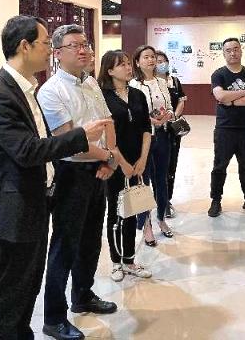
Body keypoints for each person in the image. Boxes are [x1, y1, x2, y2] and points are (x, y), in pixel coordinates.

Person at [0, 15, 109, 340]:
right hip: (13, 207)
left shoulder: (24, 89)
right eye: (46, 43)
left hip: (32, 200)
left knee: (26, 285)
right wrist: (81, 136)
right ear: (25, 46)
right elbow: (26, 150)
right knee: (10, 292)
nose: (50, 50)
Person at [37, 25, 120, 340]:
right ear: (58, 53)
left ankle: (83, 295)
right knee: (65, 245)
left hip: (98, 169)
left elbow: (108, 123)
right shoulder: (51, 91)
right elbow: (68, 141)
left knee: (90, 240)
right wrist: (107, 156)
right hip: (71, 174)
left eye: (85, 44)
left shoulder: (91, 83)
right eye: (75, 45)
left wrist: (109, 158)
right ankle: (53, 317)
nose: (83, 50)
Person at [98, 50, 153, 282]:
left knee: (131, 210)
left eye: (129, 64)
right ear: (110, 70)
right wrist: (121, 163)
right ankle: (115, 261)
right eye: (122, 65)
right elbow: (105, 136)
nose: (129, 68)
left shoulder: (138, 94)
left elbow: (146, 129)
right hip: (115, 163)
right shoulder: (102, 96)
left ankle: (129, 260)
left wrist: (142, 159)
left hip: (137, 162)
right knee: (115, 211)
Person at [208, 37, 245, 217]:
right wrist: (244, 92)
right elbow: (220, 96)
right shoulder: (218, 74)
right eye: (228, 50)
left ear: (241, 51)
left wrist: (232, 101)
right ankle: (216, 200)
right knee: (219, 166)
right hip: (224, 129)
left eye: (236, 49)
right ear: (223, 53)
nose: (232, 53)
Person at [129, 45, 174, 246]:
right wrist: (150, 120)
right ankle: (145, 223)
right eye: (146, 57)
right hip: (143, 139)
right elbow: (133, 114)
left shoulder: (162, 82)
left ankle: (161, 218)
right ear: (137, 62)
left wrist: (168, 115)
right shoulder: (133, 85)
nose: (151, 60)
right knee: (143, 181)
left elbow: (170, 107)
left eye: (153, 57)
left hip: (162, 135)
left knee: (162, 179)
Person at [154, 51, 187, 218]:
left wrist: (174, 115)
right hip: (156, 129)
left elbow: (181, 100)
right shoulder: (149, 83)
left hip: (173, 129)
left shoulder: (174, 81)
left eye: (163, 61)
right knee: (157, 166)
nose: (161, 64)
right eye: (157, 61)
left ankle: (167, 200)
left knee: (171, 165)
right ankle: (158, 199)